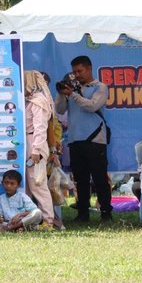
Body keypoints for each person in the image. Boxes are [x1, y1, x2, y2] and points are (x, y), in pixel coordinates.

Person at [56, 54, 113, 222]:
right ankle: (82, 212)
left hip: (95, 139)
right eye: (74, 72)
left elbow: (92, 106)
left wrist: (73, 94)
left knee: (99, 178)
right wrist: (61, 94)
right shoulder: (72, 89)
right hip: (75, 139)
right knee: (80, 180)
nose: (77, 75)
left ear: (89, 68)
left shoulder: (100, 87)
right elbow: (60, 110)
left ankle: (106, 212)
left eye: (80, 71)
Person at [23, 71, 59, 224]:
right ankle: (30, 218)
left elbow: (40, 128)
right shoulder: (29, 100)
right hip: (28, 142)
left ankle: (48, 219)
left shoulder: (39, 101)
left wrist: (36, 150)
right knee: (28, 185)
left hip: (35, 144)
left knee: (38, 184)